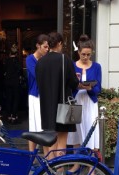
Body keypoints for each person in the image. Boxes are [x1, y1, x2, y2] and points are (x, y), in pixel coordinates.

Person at [35, 32, 79, 161]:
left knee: (50, 138)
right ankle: (59, 172)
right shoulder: (65, 60)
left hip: (46, 105)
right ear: (59, 43)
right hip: (63, 104)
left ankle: (51, 168)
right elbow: (73, 83)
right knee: (62, 140)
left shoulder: (40, 62)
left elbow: (39, 83)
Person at [66, 34, 102, 175]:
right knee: (76, 134)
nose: (85, 57)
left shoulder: (97, 66)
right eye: (83, 54)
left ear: (92, 52)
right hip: (76, 101)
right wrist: (77, 83)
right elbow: (68, 86)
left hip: (90, 102)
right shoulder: (72, 66)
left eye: (88, 54)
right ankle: (76, 164)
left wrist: (90, 88)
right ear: (78, 52)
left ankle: (91, 167)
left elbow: (99, 87)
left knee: (91, 133)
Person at [26, 34, 49, 158]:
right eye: (45, 47)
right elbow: (37, 75)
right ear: (38, 46)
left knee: (43, 126)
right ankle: (31, 155)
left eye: (48, 47)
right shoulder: (30, 59)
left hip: (44, 95)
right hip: (35, 95)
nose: (47, 49)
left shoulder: (46, 59)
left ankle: (46, 156)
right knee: (34, 125)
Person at [3, 44, 22, 124]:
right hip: (15, 82)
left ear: (10, 53)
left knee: (9, 98)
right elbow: (20, 71)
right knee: (15, 99)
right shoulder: (17, 60)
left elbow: (4, 71)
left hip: (8, 81)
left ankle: (8, 116)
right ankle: (14, 116)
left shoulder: (6, 60)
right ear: (16, 53)